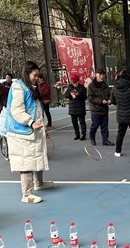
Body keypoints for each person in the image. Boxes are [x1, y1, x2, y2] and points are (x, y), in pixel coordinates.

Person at [5, 60, 53, 203]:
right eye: (35, 75)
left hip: (33, 129)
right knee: (25, 162)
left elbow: (38, 111)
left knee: (37, 155)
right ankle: (26, 194)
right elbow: (16, 110)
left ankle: (38, 184)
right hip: (21, 132)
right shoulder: (18, 87)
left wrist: (43, 128)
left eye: (38, 75)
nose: (37, 78)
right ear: (27, 73)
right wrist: (31, 123)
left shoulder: (32, 87)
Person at [111, 70, 130, 158]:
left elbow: (113, 100)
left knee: (120, 132)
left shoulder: (115, 87)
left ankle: (117, 151)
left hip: (121, 114)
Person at [87, 68, 114, 146]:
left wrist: (109, 100)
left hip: (104, 109)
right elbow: (90, 98)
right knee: (95, 125)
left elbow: (109, 95)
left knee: (105, 126)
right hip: (95, 110)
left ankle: (105, 140)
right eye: (100, 74)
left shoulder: (105, 85)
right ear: (96, 75)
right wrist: (101, 101)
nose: (102, 76)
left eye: (103, 74)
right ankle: (92, 138)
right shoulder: (91, 86)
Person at [64, 74, 87, 140]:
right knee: (74, 122)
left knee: (82, 122)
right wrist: (70, 95)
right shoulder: (70, 87)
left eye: (75, 82)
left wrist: (78, 95)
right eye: (73, 82)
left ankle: (83, 134)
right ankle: (77, 134)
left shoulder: (82, 88)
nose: (74, 84)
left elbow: (85, 96)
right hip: (72, 108)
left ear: (78, 81)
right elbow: (66, 95)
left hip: (80, 107)